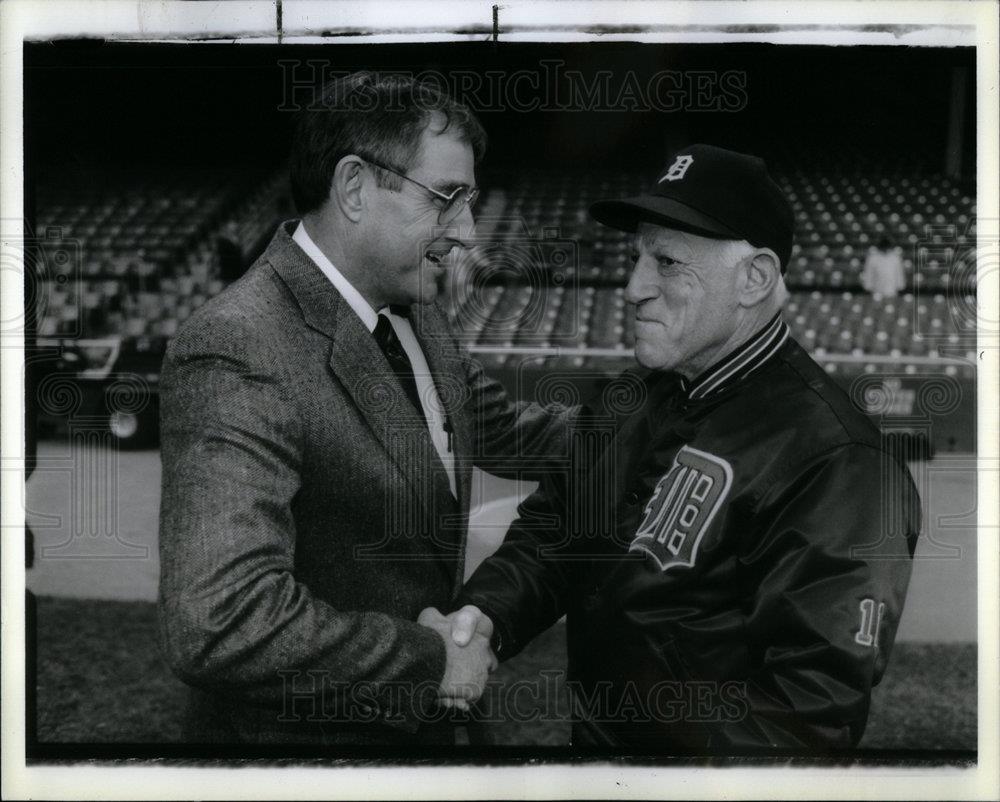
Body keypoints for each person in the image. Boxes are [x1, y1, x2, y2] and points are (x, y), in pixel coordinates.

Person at [429, 144, 921, 751]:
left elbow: (805, 717)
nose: (633, 287)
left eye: (667, 262)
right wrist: (484, 621)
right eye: (636, 257)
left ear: (756, 279)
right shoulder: (628, 398)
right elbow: (553, 539)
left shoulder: (839, 460)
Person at [157, 72, 574, 746]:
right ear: (353, 188)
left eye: (470, 201)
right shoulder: (238, 344)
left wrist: (661, 414)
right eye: (447, 198)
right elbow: (219, 621)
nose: (467, 231)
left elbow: (506, 433)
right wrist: (431, 661)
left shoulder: (417, 309)